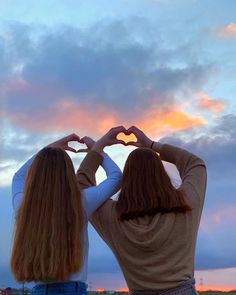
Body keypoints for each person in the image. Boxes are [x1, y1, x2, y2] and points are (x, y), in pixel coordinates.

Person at [86, 126, 207, 295]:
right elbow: (195, 164)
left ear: (127, 179)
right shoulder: (186, 204)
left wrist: (98, 149)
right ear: (161, 173)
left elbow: (82, 191)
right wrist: (151, 145)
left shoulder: (111, 216)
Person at [10, 126, 126, 295]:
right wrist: (98, 149)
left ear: (34, 175)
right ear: (67, 173)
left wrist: (50, 147)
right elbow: (116, 177)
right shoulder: (80, 202)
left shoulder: (22, 206)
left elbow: (18, 176)